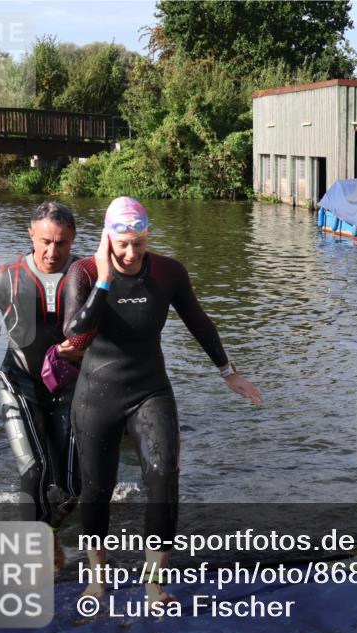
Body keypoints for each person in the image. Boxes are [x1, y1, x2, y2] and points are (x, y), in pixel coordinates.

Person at [63, 196, 262, 604]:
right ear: (107, 239)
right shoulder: (82, 272)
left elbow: (199, 323)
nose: (132, 253)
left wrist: (228, 372)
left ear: (147, 237)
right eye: (123, 244)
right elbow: (74, 333)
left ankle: (155, 583)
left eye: (139, 242)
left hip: (149, 389)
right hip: (96, 395)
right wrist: (103, 280)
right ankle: (97, 580)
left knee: (163, 475)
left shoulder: (168, 272)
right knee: (97, 489)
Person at [0, 201, 84, 565]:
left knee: (73, 487)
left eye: (61, 243)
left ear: (72, 238)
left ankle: (50, 533)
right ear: (31, 234)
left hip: (69, 388)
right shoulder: (7, 277)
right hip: (20, 382)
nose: (51, 251)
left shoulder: (86, 273)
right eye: (44, 241)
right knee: (35, 468)